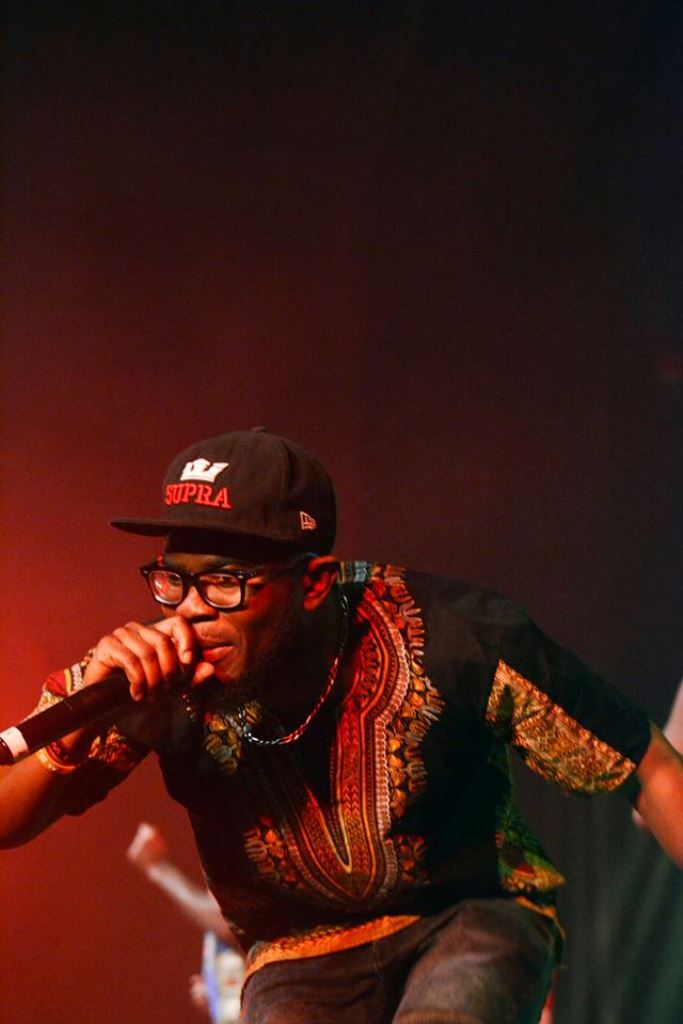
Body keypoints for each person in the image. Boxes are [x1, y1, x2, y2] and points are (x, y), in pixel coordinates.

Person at [1, 427, 682, 1024]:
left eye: (226, 582)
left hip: (468, 915)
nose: (190, 611)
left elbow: (648, 766)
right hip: (296, 949)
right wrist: (78, 728)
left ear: (316, 582)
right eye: (172, 580)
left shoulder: (454, 637)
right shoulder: (146, 674)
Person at [126, 821, 245, 1024]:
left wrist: (157, 869)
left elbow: (223, 922)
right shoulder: (214, 935)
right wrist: (215, 998)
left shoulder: (242, 906)